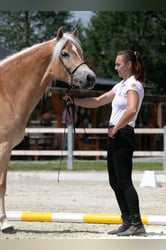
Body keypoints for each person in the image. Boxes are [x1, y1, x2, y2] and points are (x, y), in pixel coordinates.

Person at [63, 50, 146, 236]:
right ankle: (127, 221)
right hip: (116, 134)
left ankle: (136, 223)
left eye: (118, 64)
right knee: (115, 181)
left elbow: (132, 110)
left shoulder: (133, 85)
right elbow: (98, 101)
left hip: (122, 133)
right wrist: (74, 100)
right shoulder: (120, 86)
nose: (115, 67)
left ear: (129, 65)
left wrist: (116, 128)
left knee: (124, 181)